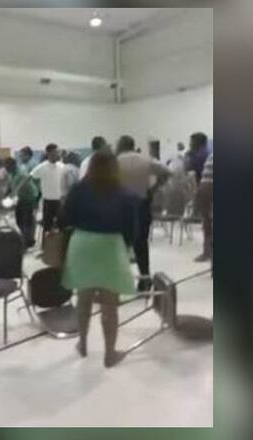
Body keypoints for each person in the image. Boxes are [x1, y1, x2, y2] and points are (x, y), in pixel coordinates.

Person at [61, 151, 138, 367]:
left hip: (82, 244)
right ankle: (109, 354)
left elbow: (65, 216)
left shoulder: (78, 190)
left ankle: (83, 344)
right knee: (109, 306)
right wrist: (126, 245)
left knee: (83, 300)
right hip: (110, 246)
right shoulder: (125, 193)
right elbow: (132, 229)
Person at [116, 135, 171, 291]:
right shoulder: (146, 160)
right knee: (141, 243)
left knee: (120, 243)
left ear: (120, 146)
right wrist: (154, 188)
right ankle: (145, 279)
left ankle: (121, 281)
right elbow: (167, 172)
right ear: (133, 145)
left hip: (121, 205)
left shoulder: (114, 162)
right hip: (142, 203)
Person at [30, 144, 65, 235]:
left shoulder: (62, 166)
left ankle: (61, 247)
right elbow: (30, 177)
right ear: (50, 153)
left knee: (62, 225)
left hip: (59, 201)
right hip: (48, 201)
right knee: (47, 227)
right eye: (57, 152)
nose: (59, 154)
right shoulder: (42, 167)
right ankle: (47, 247)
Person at [4, 157, 39, 248]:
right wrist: (5, 194)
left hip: (28, 199)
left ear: (13, 165)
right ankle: (26, 239)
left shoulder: (21, 174)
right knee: (19, 220)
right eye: (5, 167)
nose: (6, 169)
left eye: (7, 167)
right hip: (20, 199)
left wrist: (7, 201)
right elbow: (10, 186)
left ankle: (27, 242)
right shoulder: (12, 173)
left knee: (26, 221)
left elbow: (16, 190)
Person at [194, 151, 213, 262]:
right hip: (207, 188)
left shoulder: (211, 155)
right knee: (207, 222)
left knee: (206, 223)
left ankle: (207, 252)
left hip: (204, 187)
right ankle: (208, 252)